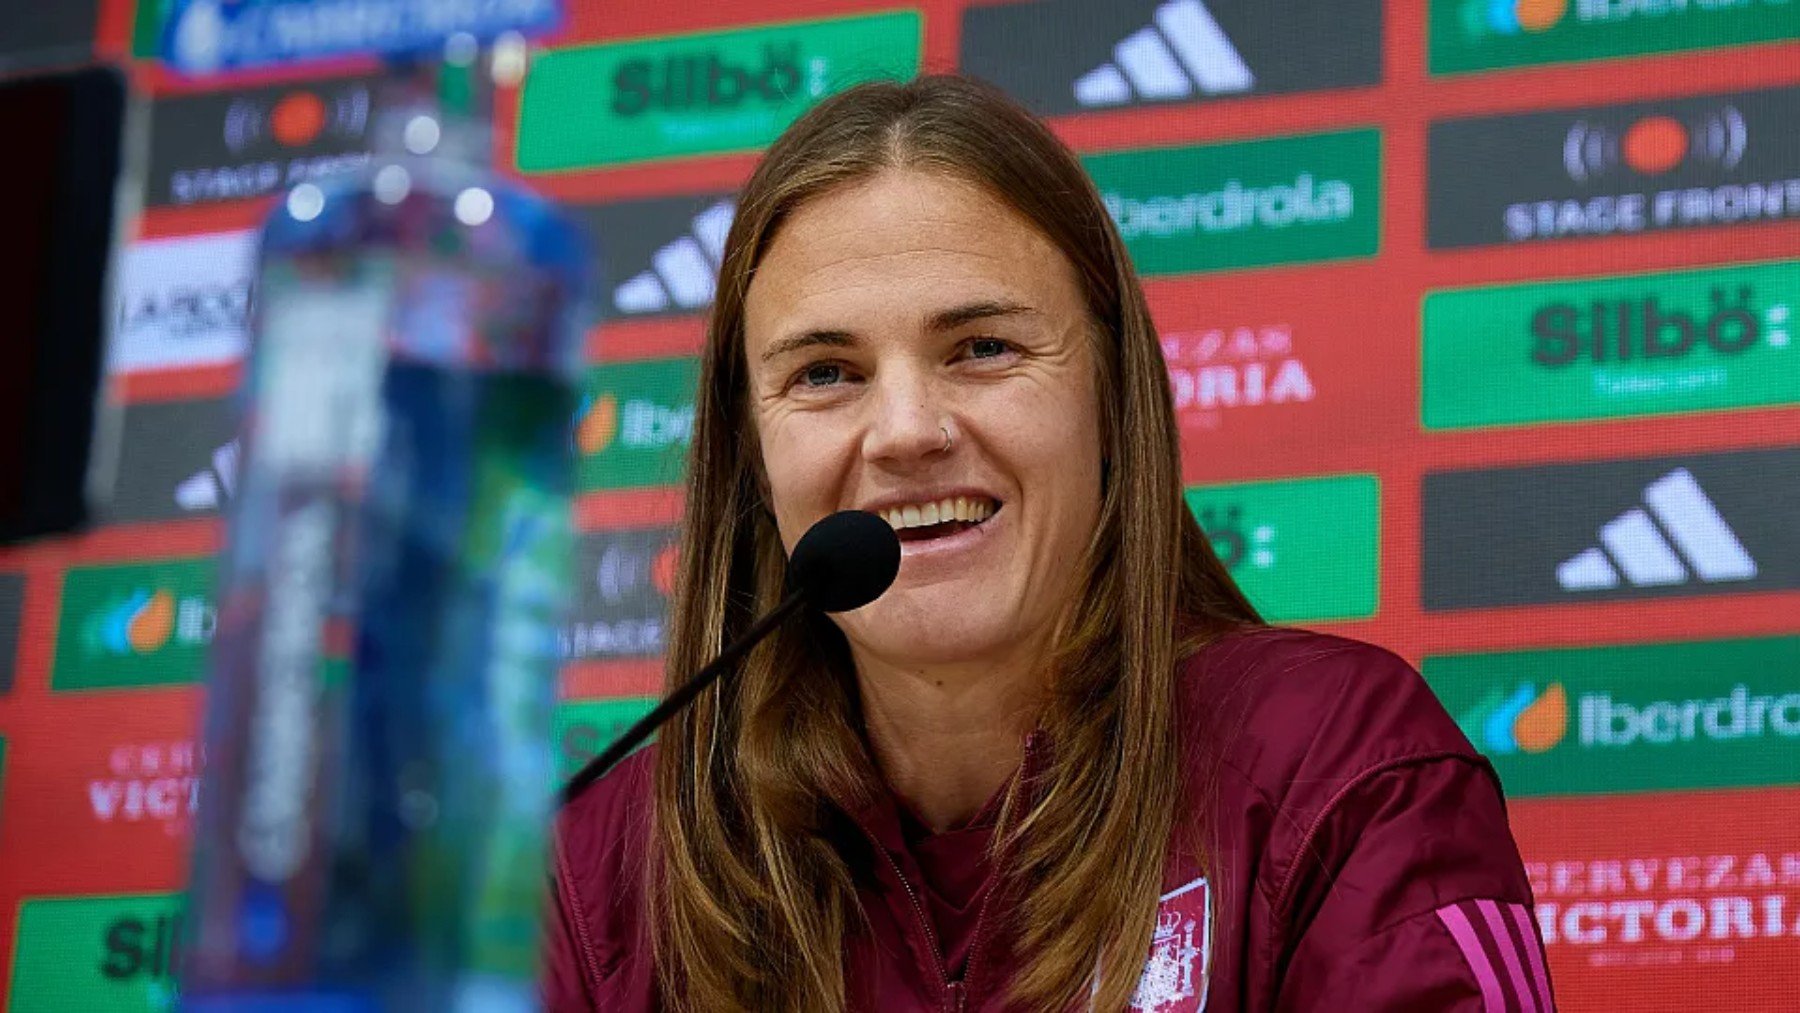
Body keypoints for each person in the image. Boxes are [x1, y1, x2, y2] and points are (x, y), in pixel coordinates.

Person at [542, 74, 1554, 1012]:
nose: (905, 429)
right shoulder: (601, 867)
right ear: (753, 453)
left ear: (1110, 399)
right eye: (825, 372)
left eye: (983, 348)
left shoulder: (1338, 766)